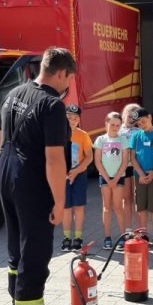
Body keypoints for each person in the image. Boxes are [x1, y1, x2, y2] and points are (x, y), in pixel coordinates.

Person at [0, 46, 75, 305]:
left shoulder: (14, 93)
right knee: (36, 248)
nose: (68, 86)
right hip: (31, 179)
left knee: (16, 243)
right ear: (61, 73)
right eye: (69, 79)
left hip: (6, 172)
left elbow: (0, 138)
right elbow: (54, 158)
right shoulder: (52, 106)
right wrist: (59, 200)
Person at [129, 107, 153, 250]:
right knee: (141, 206)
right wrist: (140, 173)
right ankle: (143, 234)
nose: (142, 125)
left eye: (143, 121)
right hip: (140, 175)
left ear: (150, 118)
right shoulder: (136, 136)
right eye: (139, 124)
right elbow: (132, 158)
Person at [93, 111, 129, 251]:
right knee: (106, 208)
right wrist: (108, 179)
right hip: (105, 177)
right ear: (106, 123)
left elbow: (125, 161)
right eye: (112, 124)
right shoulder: (100, 140)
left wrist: (116, 179)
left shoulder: (123, 140)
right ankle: (107, 237)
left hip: (119, 177)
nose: (115, 127)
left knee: (118, 207)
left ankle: (122, 237)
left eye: (118, 125)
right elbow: (97, 161)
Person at [61, 104, 93, 252]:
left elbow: (89, 157)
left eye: (75, 118)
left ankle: (78, 238)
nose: (72, 120)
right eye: (68, 118)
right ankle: (66, 238)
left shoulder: (83, 135)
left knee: (78, 207)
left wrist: (76, 171)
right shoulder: (58, 134)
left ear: (79, 119)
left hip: (79, 174)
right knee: (66, 208)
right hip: (63, 175)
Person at [119, 102, 141, 240]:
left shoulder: (140, 131)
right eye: (129, 115)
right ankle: (128, 229)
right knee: (127, 199)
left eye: (135, 115)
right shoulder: (118, 130)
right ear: (124, 115)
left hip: (138, 168)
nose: (131, 118)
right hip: (124, 168)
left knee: (138, 199)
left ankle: (140, 230)